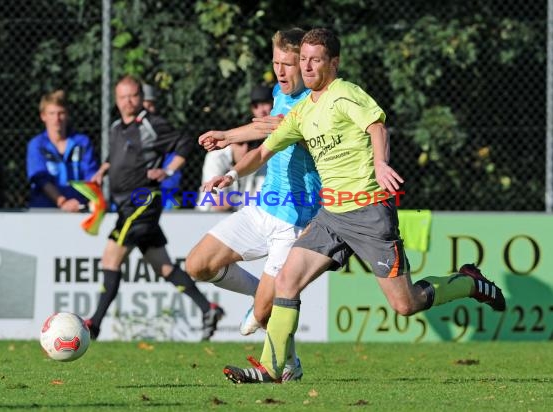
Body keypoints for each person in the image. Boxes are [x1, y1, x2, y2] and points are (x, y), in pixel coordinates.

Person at [203, 28, 506, 383]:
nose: (308, 66)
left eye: (316, 60)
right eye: (304, 59)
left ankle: (467, 282)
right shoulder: (302, 112)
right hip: (330, 216)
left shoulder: (345, 94)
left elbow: (377, 126)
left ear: (334, 62)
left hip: (368, 212)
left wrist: (380, 163)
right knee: (286, 280)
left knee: (404, 304)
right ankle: (272, 368)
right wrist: (231, 164)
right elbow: (265, 148)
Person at [186, 28, 320, 382]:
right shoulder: (280, 92)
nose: (280, 71)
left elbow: (273, 126)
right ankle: (266, 304)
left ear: (305, 66)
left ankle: (286, 361)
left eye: (288, 64)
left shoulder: (315, 103)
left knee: (262, 316)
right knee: (197, 265)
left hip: (293, 221)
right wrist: (231, 175)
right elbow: (264, 148)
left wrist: (228, 135)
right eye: (276, 62)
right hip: (263, 209)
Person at [85, 75, 224, 341]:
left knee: (110, 258)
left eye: (133, 96)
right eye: (123, 97)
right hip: (125, 205)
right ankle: (208, 309)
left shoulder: (151, 125)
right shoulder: (116, 127)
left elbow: (184, 141)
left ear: (141, 97)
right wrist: (103, 169)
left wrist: (168, 169)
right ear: (116, 100)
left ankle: (95, 324)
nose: (128, 101)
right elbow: (114, 157)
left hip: (142, 202)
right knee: (163, 266)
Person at [194, 85, 272, 212]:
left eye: (265, 104)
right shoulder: (216, 157)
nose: (245, 148)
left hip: (243, 216)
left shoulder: (261, 157)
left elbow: (262, 200)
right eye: (241, 143)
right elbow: (218, 204)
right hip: (209, 216)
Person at [26, 90, 98, 211]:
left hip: (78, 208)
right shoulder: (36, 145)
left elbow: (90, 176)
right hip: (44, 211)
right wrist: (62, 202)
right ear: (43, 116)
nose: (57, 118)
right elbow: (40, 179)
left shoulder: (82, 142)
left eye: (61, 113)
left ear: (67, 115)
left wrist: (93, 201)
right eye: (52, 113)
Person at [142, 83, 183, 210]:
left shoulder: (162, 133)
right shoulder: (122, 132)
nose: (150, 109)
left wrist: (166, 172)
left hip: (163, 195)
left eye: (152, 104)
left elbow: (172, 180)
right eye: (147, 105)